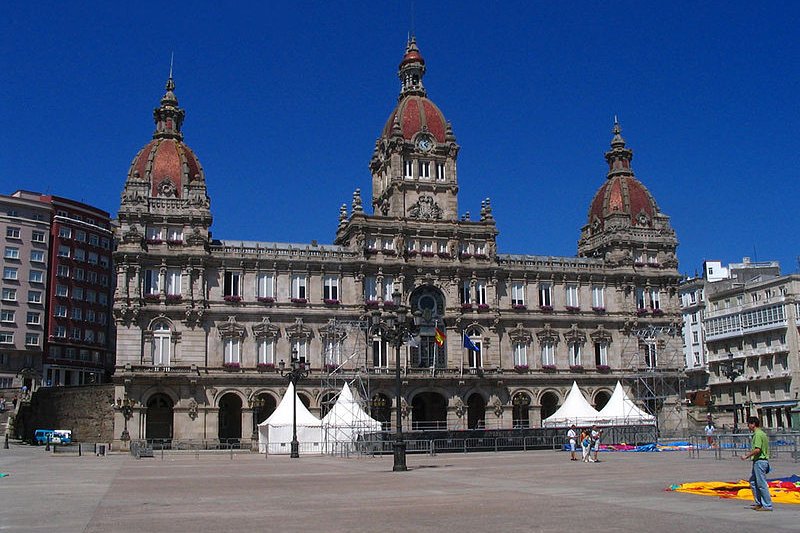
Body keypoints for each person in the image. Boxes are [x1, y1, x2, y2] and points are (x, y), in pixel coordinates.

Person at [740, 416, 772, 511]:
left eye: (748, 424)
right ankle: (759, 503)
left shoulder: (758, 434)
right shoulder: (761, 433)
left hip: (760, 461)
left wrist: (746, 456)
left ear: (753, 424)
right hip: (759, 461)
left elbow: (757, 449)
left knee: (761, 483)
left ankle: (767, 505)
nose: (748, 426)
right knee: (753, 481)